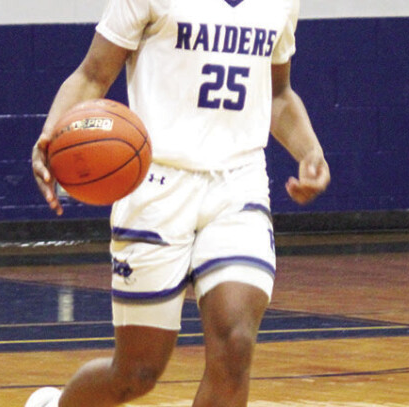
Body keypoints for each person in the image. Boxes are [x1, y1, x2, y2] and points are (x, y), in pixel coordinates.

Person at [28, 0, 330, 405]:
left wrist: (309, 151)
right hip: (155, 185)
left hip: (238, 185)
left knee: (236, 345)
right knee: (136, 373)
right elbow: (93, 74)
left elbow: (277, 94)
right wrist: (51, 135)